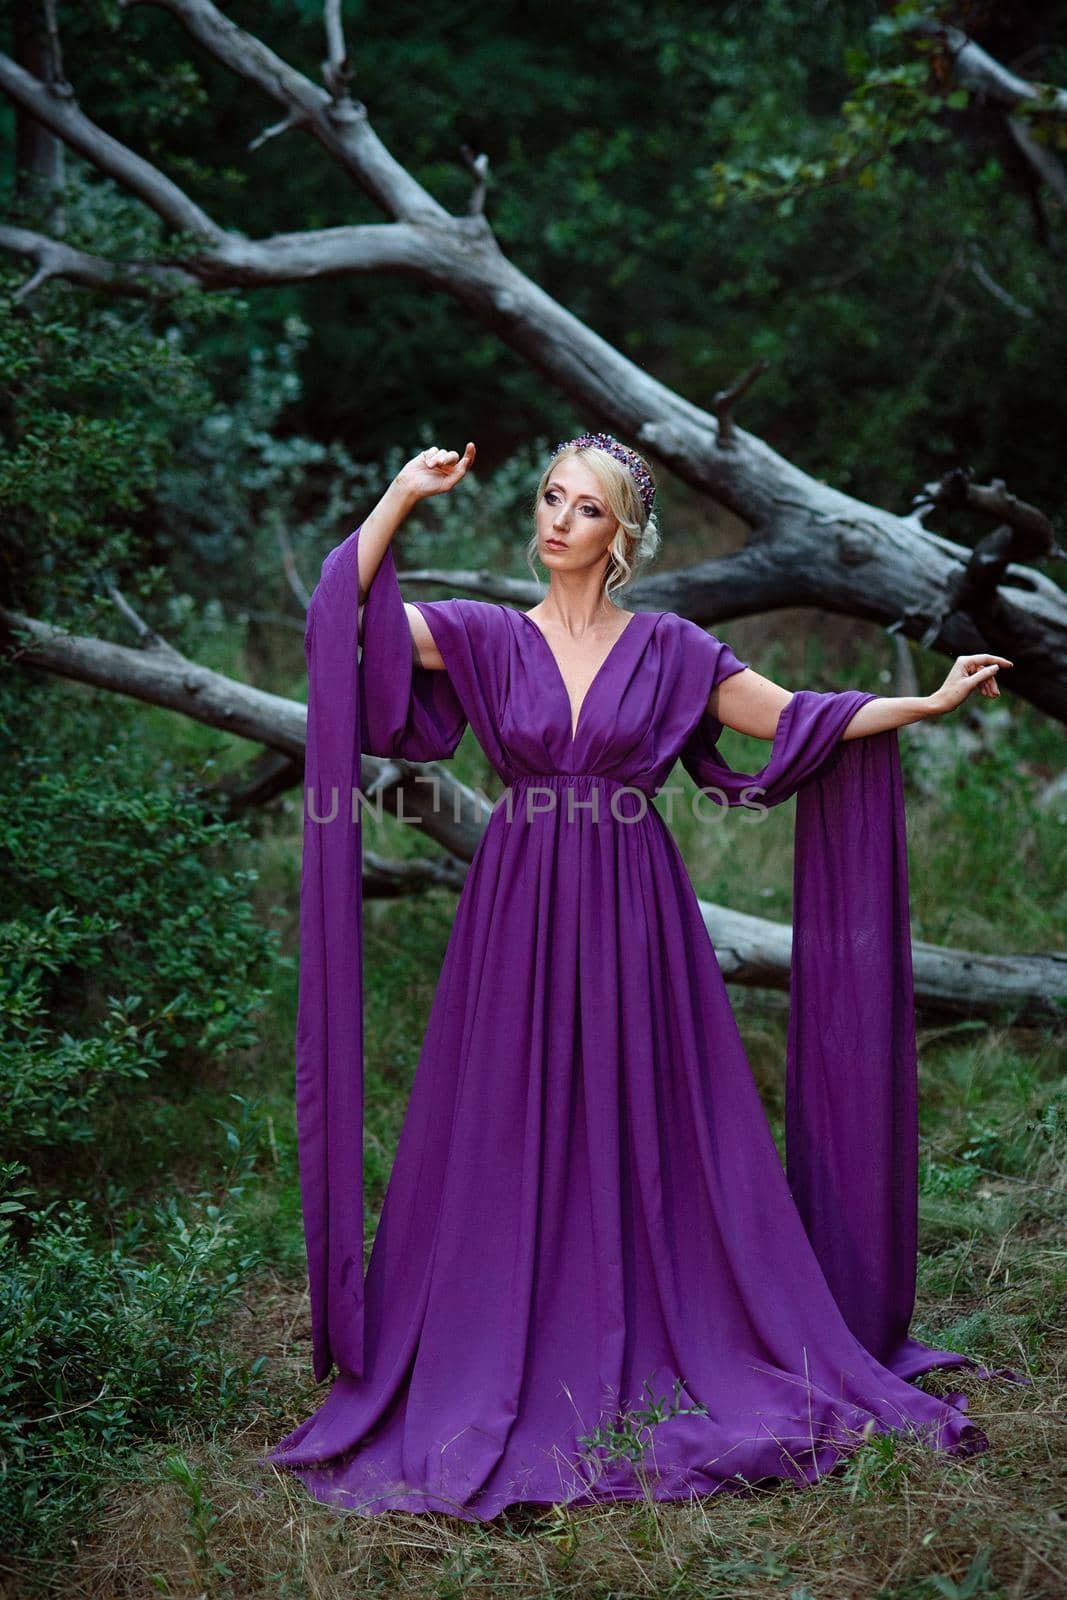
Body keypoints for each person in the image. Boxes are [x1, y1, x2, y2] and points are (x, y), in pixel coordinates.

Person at [262, 432, 1022, 1521]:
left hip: (634, 914)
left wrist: (926, 704)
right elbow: (347, 617)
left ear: (619, 534)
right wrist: (398, 494)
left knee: (648, 1114)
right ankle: (492, 1327)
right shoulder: (482, 637)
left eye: (582, 508)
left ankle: (672, 1315)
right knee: (506, 1114)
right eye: (548, 498)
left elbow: (795, 718)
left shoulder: (670, 648)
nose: (554, 520)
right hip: (514, 913)